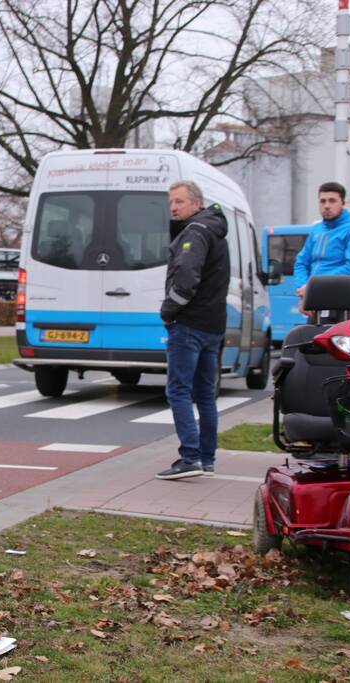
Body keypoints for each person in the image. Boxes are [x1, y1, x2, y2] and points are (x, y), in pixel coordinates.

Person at [155, 180, 230, 480]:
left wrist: (168, 311)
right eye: (171, 202)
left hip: (190, 324)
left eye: (179, 202)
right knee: (205, 394)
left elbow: (186, 277)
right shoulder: (216, 231)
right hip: (213, 325)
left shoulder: (195, 232)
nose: (173, 207)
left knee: (178, 390)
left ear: (196, 204)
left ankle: (190, 457)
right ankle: (207, 458)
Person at [294, 182, 350, 316]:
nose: (327, 206)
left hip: (342, 304)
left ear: (343, 203)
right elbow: (301, 262)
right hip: (316, 302)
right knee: (308, 337)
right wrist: (304, 292)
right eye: (322, 201)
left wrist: (314, 287)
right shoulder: (317, 229)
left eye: (332, 201)